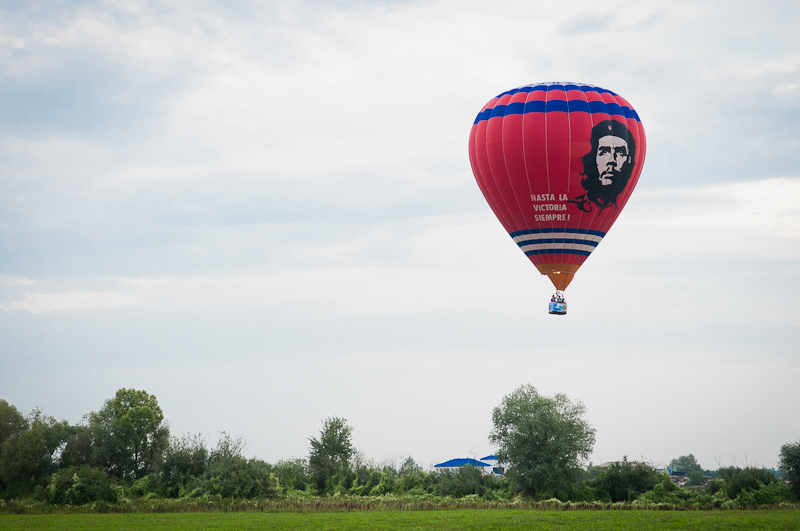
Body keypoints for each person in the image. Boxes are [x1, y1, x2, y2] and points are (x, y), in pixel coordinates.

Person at [568, 119, 637, 213]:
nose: (611, 160)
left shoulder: (617, 208)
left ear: (628, 160)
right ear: (594, 157)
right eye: (604, 152)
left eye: (620, 153)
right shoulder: (573, 205)